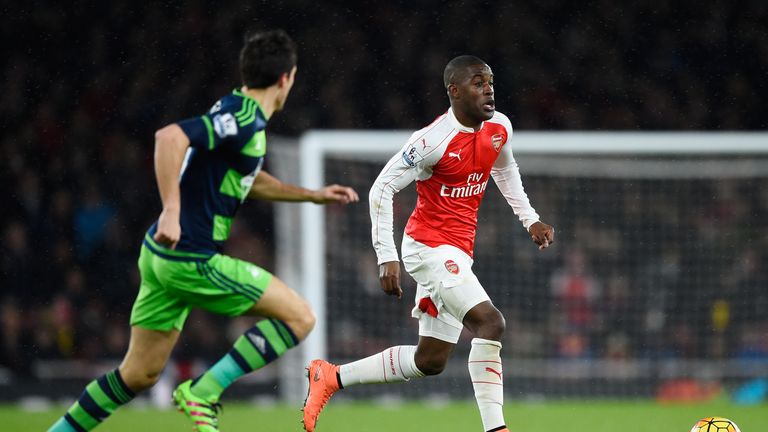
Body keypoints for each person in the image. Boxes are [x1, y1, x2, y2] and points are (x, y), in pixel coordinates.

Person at [48, 29, 359, 432]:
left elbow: (249, 176)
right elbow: (169, 137)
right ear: (286, 78)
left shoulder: (239, 111)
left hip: (159, 258)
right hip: (190, 258)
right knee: (300, 318)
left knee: (137, 375)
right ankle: (203, 392)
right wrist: (172, 211)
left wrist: (310, 195)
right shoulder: (245, 119)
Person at [303, 55, 554, 432]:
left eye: (490, 82)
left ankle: (332, 377)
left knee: (430, 360)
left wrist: (530, 218)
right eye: (477, 83)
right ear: (454, 90)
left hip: (458, 252)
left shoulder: (499, 127)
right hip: (427, 248)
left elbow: (505, 169)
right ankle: (497, 429)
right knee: (490, 323)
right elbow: (382, 188)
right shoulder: (431, 141)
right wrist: (386, 256)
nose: (488, 90)